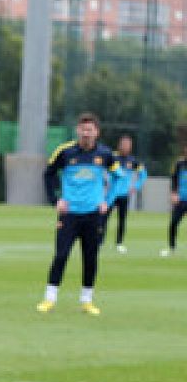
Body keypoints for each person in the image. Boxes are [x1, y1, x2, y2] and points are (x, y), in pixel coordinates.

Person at [38, 113, 114, 315]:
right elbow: (48, 174)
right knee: (61, 255)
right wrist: (56, 200)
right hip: (69, 214)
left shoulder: (105, 154)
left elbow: (119, 176)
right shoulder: (65, 152)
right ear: (77, 131)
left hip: (93, 215)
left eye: (90, 130)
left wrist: (107, 200)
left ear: (97, 132)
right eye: (82, 129)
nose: (86, 133)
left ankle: (87, 301)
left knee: (90, 258)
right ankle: (49, 298)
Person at [106, 133, 145, 253]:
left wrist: (136, 186)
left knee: (122, 220)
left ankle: (119, 243)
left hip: (124, 195)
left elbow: (143, 174)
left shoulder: (132, 161)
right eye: (124, 144)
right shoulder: (112, 157)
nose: (126, 146)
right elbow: (102, 170)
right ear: (119, 145)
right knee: (103, 218)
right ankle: (99, 241)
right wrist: (104, 182)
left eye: (128, 144)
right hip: (111, 195)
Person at [165, 146, 187, 257]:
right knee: (173, 223)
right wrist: (174, 193)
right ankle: (171, 247)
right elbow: (174, 179)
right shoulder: (179, 164)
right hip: (181, 199)